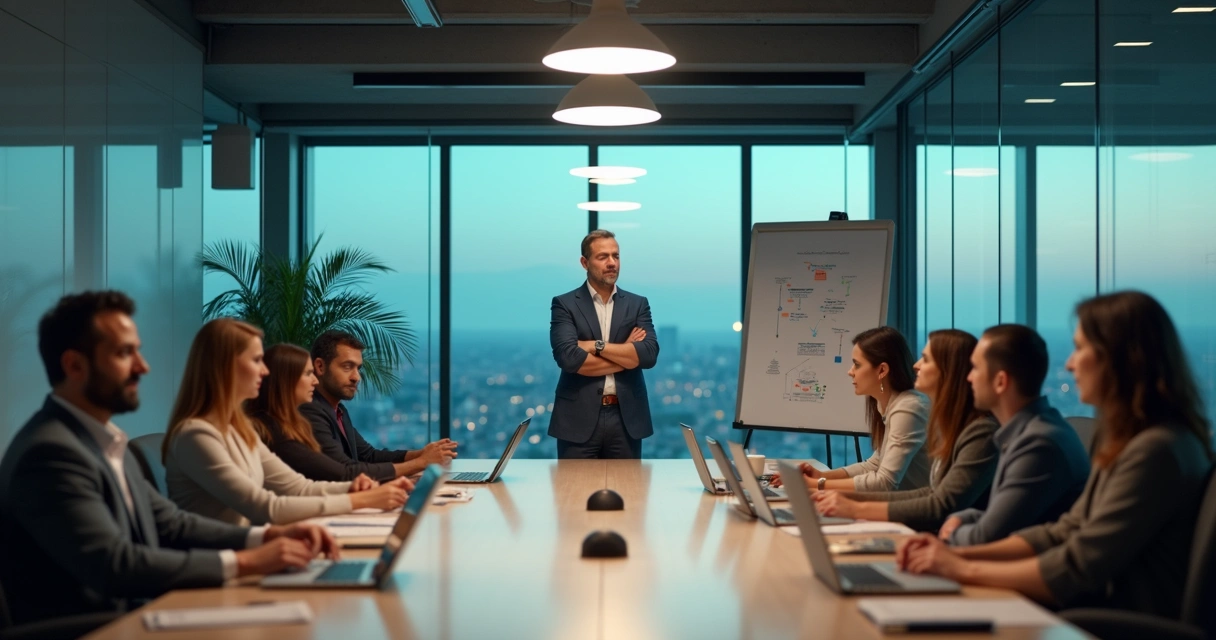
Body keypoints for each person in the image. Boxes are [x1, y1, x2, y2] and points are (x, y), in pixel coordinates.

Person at [0, 292, 339, 627]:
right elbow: (114, 566)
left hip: (138, 614)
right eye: (124, 353)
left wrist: (264, 539)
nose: (142, 367)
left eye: (138, 351)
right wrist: (246, 561)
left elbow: (172, 524)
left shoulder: (103, 441)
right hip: (100, 628)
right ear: (74, 365)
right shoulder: (51, 453)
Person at [899, 291, 1214, 618]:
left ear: (1120, 358)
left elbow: (1077, 567)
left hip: (1108, 618)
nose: (1069, 362)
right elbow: (1065, 529)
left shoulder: (1155, 451)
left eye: (1080, 348)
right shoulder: (1137, 442)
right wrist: (961, 559)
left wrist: (962, 568)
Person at [164, 319, 413, 526]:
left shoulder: (239, 431)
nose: (264, 371)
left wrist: (353, 490)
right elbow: (265, 507)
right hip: (220, 568)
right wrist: (362, 499)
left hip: (250, 551)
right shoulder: (196, 435)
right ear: (224, 367)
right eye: (255, 360)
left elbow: (299, 488)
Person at [815, 329, 999, 531]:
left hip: (950, 540)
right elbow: (931, 493)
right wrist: (834, 492)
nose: (916, 365)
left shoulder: (980, 432)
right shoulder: (955, 425)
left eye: (926, 359)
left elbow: (940, 504)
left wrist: (846, 501)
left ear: (949, 371)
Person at [936, 324, 1090, 546]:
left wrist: (950, 534)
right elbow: (1007, 517)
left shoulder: (1039, 444)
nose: (969, 378)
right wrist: (963, 517)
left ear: (1000, 381)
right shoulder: (1032, 429)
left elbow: (988, 536)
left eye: (975, 368)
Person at [773, 326, 931, 492]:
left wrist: (814, 484)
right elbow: (875, 465)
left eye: (857, 365)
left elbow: (884, 482)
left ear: (882, 370)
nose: (850, 372)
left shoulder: (909, 408)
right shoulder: (890, 404)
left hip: (917, 514)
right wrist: (820, 475)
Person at [548, 229, 660, 459]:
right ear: (584, 262)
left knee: (628, 492)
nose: (612, 263)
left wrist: (595, 345)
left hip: (626, 418)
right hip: (577, 418)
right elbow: (569, 359)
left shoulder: (637, 304)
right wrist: (627, 354)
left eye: (616, 256)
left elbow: (648, 356)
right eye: (603, 257)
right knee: (574, 492)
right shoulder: (565, 304)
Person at [301, 330, 457, 481]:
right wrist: (421, 462)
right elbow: (347, 471)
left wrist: (422, 454)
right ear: (320, 367)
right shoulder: (310, 411)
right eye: (347, 367)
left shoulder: (338, 410)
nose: (356, 377)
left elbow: (369, 456)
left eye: (358, 368)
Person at [251, 343, 381, 482]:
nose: (315, 380)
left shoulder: (293, 424)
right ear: (285, 380)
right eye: (308, 373)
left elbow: (306, 487)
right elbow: (340, 473)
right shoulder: (275, 431)